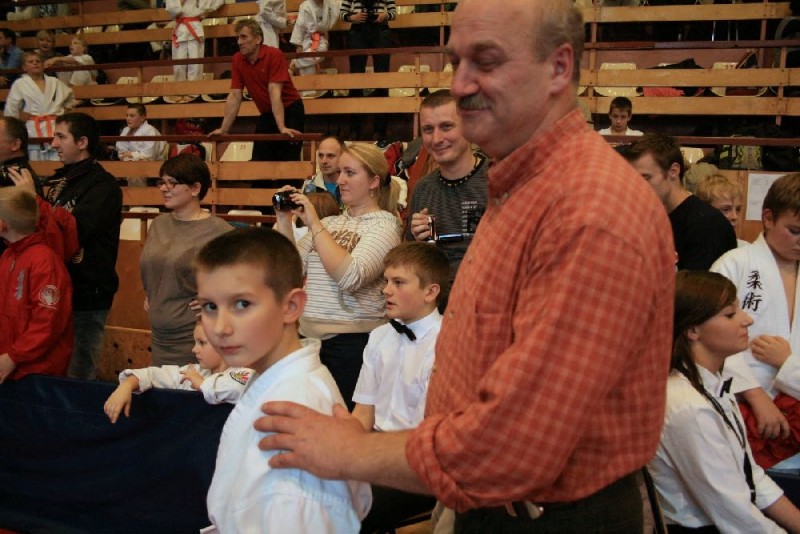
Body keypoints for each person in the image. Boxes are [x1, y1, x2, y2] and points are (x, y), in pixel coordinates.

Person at [255, 0, 675, 531]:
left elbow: (514, 441)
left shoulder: (588, 208)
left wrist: (349, 451)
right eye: (456, 62)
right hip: (487, 499)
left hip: (548, 515)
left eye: (487, 61)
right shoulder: (523, 186)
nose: (460, 85)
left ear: (559, 67)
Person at [196, 227, 372, 533]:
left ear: (291, 306)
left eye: (242, 304)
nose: (221, 328)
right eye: (210, 307)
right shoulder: (269, 378)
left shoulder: (296, 405)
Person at [650, 270, 800, 533]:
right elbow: (734, 513)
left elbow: (750, 475)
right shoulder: (687, 405)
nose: (748, 320)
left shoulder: (712, 384)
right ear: (693, 330)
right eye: (730, 315)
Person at [274, 142, 401, 410]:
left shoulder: (386, 224)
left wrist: (314, 223)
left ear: (374, 181)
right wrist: (284, 220)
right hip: (309, 340)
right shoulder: (330, 223)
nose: (340, 180)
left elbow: (350, 277)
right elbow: (289, 271)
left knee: (344, 425)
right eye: (341, 172)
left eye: (350, 173)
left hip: (352, 344)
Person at [353, 241, 448, 534]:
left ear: (430, 292)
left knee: (349, 510)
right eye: (386, 281)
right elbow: (363, 413)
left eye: (398, 282)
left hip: (419, 463)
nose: (386, 290)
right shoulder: (379, 336)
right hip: (376, 450)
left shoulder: (447, 343)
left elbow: (428, 437)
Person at [711, 173, 800, 471]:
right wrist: (755, 394)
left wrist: (787, 364)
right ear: (768, 218)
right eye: (795, 231)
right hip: (743, 406)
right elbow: (710, 340)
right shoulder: (735, 263)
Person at [43, 112, 122, 380]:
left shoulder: (103, 186)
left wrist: (36, 206)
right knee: (55, 372)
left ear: (82, 142)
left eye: (60, 136)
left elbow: (75, 230)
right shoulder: (59, 182)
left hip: (87, 294)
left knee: (78, 374)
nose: (53, 143)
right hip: (57, 288)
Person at [141, 154, 233, 366]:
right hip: (158, 334)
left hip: (193, 336)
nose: (164, 188)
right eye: (161, 182)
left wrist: (216, 302)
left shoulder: (219, 231)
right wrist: (153, 292)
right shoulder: (158, 223)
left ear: (195, 188)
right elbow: (153, 268)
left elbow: (244, 280)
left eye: (172, 183)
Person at [405, 89, 488, 289]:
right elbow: (413, 262)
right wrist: (419, 243)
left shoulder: (497, 180)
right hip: (435, 296)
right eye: (428, 129)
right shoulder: (423, 189)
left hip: (485, 291)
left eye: (446, 126)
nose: (436, 139)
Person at [625, 133, 737, 270]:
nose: (637, 186)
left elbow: (697, 283)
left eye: (645, 178)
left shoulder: (707, 225)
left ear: (674, 171)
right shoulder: (648, 219)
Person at [103, 322, 253, 423]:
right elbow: (155, 375)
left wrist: (203, 385)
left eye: (202, 343)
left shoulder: (245, 373)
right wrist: (127, 385)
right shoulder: (193, 372)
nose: (194, 349)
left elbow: (238, 388)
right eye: (195, 342)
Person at [0, 188, 72, 384]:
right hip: (10, 366)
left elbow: (47, 322)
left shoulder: (44, 261)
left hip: (38, 372)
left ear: (3, 225)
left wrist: (14, 356)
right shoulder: (8, 256)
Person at [209, 19, 305, 162]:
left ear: (258, 39)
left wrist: (282, 127)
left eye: (244, 37)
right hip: (268, 113)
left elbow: (275, 92)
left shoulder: (274, 54)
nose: (239, 42)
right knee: (259, 160)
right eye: (237, 38)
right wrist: (224, 129)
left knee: (288, 161)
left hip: (290, 110)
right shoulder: (237, 59)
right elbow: (235, 95)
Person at [340, 0, 396, 139]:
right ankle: (354, 130)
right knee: (355, 80)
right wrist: (353, 17)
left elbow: (393, 13)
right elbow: (342, 14)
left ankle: (380, 131)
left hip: (380, 30)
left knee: (382, 81)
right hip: (358, 31)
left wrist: (384, 16)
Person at [4, 51, 74, 161]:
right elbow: (11, 108)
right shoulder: (20, 84)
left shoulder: (54, 82)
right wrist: (18, 119)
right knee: (35, 162)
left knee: (57, 160)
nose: (35, 63)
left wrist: (63, 111)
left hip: (54, 125)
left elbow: (70, 96)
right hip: (32, 128)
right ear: (24, 67)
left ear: (43, 65)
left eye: (38, 61)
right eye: (31, 62)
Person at [165, 0, 223, 89]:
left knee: (195, 64)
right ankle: (180, 90)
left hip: (196, 28)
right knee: (179, 65)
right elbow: (170, 9)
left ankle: (194, 91)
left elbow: (216, 2)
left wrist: (204, 12)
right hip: (181, 30)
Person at [289, 0, 338, 89]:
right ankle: (307, 92)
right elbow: (299, 25)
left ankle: (295, 63)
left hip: (321, 38)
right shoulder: (305, 5)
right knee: (307, 69)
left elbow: (337, 12)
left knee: (322, 50)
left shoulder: (330, 4)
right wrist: (298, 44)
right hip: (306, 38)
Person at [696, 173, 748, 247]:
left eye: (738, 209)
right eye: (726, 209)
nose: (735, 217)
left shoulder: (745, 249)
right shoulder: (692, 248)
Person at [302, 135, 345, 204]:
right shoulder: (310, 184)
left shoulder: (351, 184)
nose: (324, 161)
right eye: (321, 155)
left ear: (342, 157)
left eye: (330, 156)